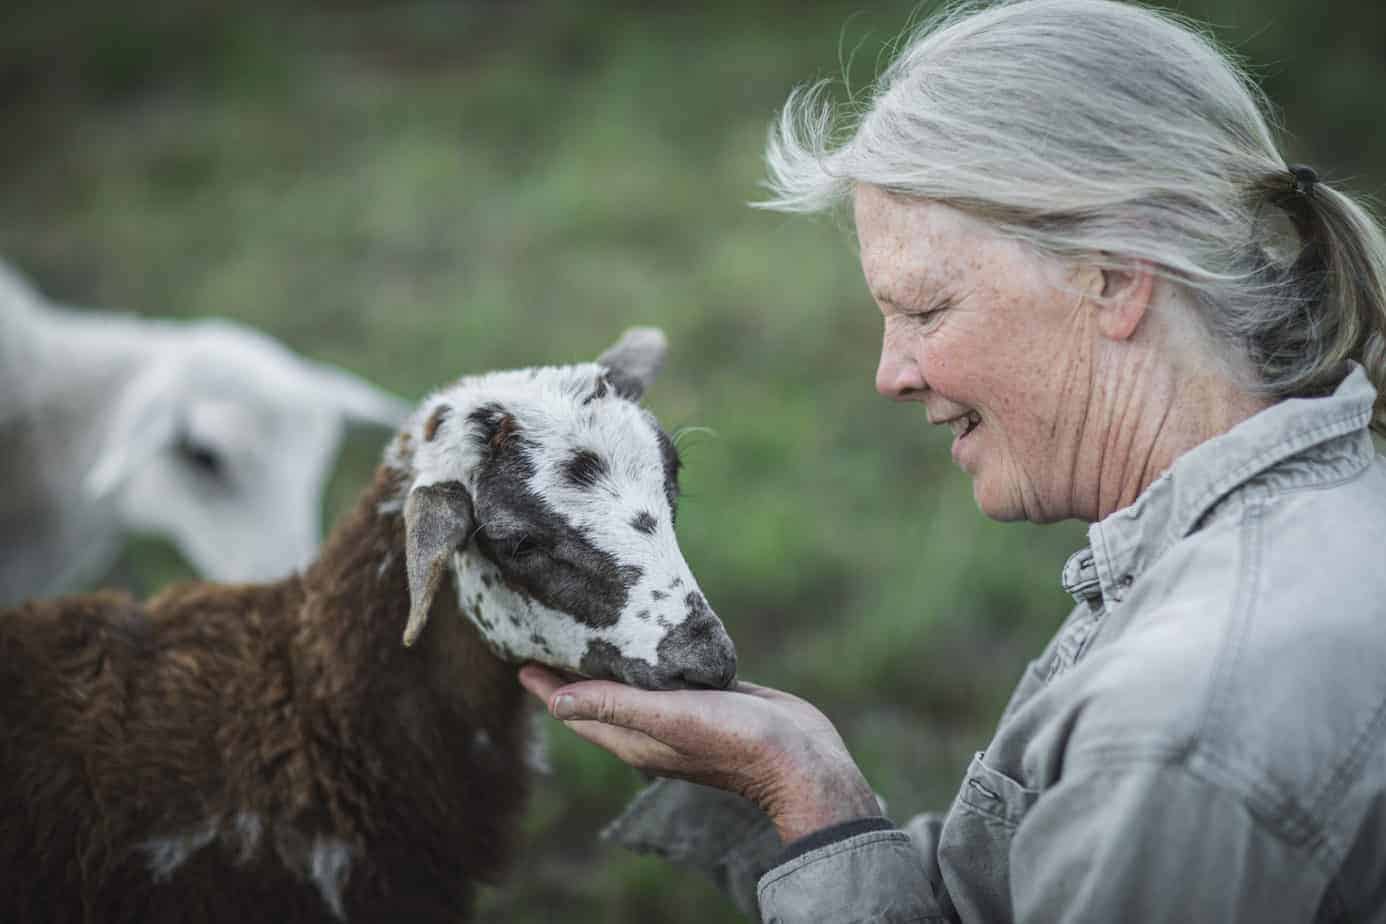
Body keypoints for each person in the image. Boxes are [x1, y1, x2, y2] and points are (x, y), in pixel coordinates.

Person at [519, 0, 1386, 920]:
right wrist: (798, 783)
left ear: (1116, 276)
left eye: (926, 311)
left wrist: (807, 797)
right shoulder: (1245, 548)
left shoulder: (1181, 719)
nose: (891, 374)